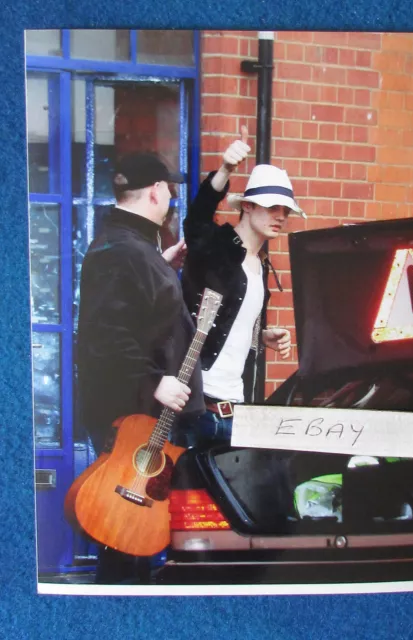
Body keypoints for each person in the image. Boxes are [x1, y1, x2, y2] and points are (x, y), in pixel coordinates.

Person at [76, 152, 204, 584]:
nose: (170, 196)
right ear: (156, 191)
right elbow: (106, 335)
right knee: (125, 534)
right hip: (130, 413)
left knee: (131, 535)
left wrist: (160, 267)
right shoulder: (122, 250)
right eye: (169, 189)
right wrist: (155, 383)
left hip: (137, 413)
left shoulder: (129, 246)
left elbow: (131, 310)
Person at [178, 127, 305, 447]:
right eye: (272, 207)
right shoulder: (216, 246)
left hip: (236, 408)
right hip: (198, 405)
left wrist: (260, 337)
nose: (280, 216)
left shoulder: (259, 265)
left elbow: (230, 323)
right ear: (247, 206)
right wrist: (225, 170)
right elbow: (196, 220)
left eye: (285, 210)